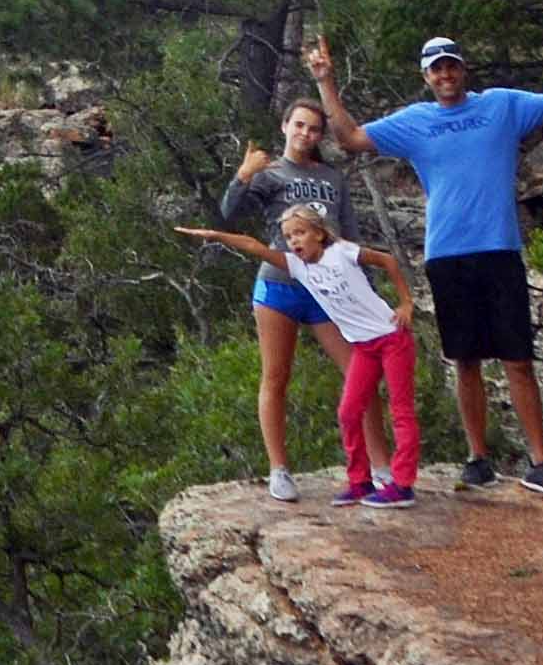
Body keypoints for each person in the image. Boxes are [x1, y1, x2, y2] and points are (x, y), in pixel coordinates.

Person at [311, 7, 543, 498]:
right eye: (436, 68)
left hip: (499, 247)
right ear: (426, 76)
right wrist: (326, 83)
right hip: (447, 253)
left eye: (451, 65)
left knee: (518, 358)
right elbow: (350, 139)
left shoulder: (501, 106)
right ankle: (478, 458)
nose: (445, 75)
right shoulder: (415, 121)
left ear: (463, 69)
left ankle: (540, 462)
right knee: (465, 360)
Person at [176, 204, 422, 506]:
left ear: (319, 233)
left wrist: (406, 302)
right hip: (363, 347)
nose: (294, 241)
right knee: (348, 412)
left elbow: (386, 260)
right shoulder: (297, 267)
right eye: (289, 236)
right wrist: (215, 235)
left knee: (401, 411)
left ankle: (403, 484)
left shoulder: (342, 252)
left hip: (391, 338)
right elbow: (253, 246)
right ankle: (360, 480)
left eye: (300, 233)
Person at [215, 100, 363, 501]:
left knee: (359, 374)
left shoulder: (332, 177)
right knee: (276, 377)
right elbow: (229, 212)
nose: (305, 134)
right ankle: (279, 470)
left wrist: (358, 287)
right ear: (285, 127)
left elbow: (348, 234)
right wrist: (243, 175)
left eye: (314, 129)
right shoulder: (270, 174)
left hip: (326, 288)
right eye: (299, 126)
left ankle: (375, 468)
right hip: (279, 284)